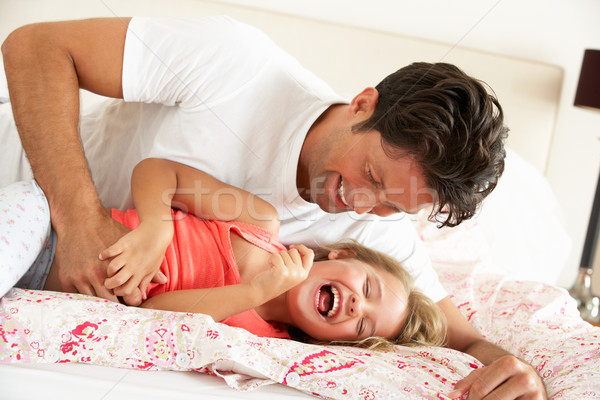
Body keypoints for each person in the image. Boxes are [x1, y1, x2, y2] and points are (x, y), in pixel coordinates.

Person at [0, 16, 545, 399]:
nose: (358, 204)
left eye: (389, 207)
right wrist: (77, 220)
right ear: (363, 105)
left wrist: (515, 373)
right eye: (372, 176)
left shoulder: (370, 250)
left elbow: (458, 336)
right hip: (18, 180)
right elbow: (34, 46)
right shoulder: (235, 64)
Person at [0, 159, 447, 349]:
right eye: (367, 287)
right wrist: (157, 228)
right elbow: (160, 171)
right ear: (341, 253)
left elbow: (156, 312)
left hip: (43, 292)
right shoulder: (259, 223)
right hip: (47, 228)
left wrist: (256, 292)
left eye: (362, 323)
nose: (355, 303)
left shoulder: (262, 340)